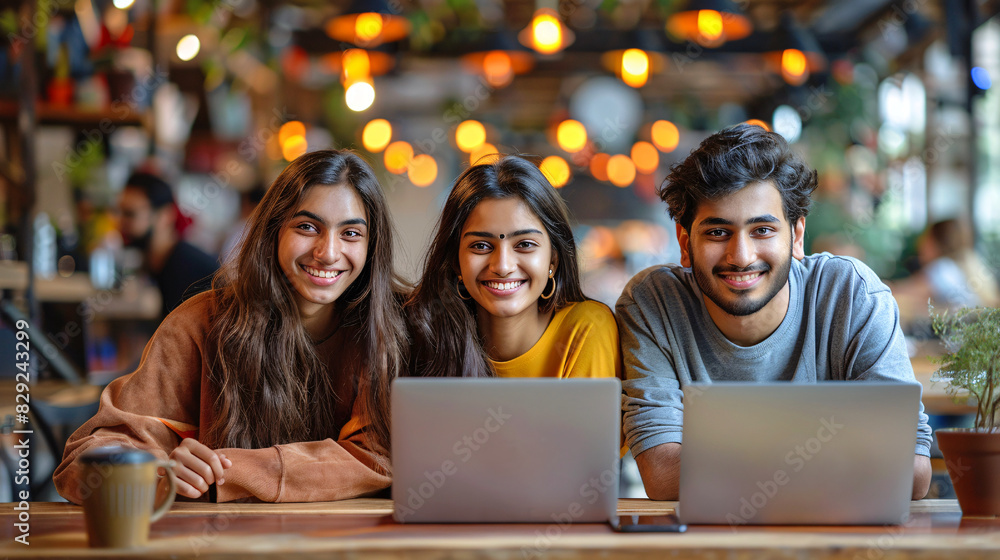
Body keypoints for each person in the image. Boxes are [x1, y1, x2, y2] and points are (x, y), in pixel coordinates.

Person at [55, 149, 409, 503]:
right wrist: (159, 472)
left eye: (350, 233)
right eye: (307, 227)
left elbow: (383, 456)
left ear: (372, 246)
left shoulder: (392, 331)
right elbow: (84, 462)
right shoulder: (200, 324)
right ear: (273, 231)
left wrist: (230, 474)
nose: (328, 252)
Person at [617, 124, 933, 501]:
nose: (742, 257)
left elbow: (910, 471)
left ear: (797, 236)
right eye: (718, 233)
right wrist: (845, 455)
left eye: (763, 230)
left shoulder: (849, 294)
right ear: (686, 244)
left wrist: (713, 465)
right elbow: (664, 476)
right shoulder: (653, 304)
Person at [406, 154, 619, 380]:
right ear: (455, 262)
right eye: (481, 246)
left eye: (525, 244)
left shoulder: (585, 328)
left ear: (553, 261)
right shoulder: (423, 335)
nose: (503, 266)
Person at [117, 172, 219, 320]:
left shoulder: (189, 271)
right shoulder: (159, 264)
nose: (120, 223)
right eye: (119, 212)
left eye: (130, 214)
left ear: (165, 216)